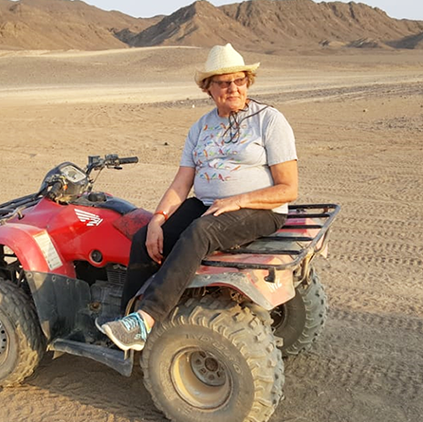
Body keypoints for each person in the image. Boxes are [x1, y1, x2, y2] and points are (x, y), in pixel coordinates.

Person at [99, 43, 299, 351]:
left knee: (200, 232)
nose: (233, 88)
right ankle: (125, 322)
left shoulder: (269, 120)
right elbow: (182, 183)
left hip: (260, 208)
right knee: (144, 239)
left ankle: (146, 320)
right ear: (208, 88)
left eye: (239, 80)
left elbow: (288, 189)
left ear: (248, 82)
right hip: (208, 205)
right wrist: (157, 220)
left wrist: (238, 200)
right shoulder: (201, 127)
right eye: (224, 82)